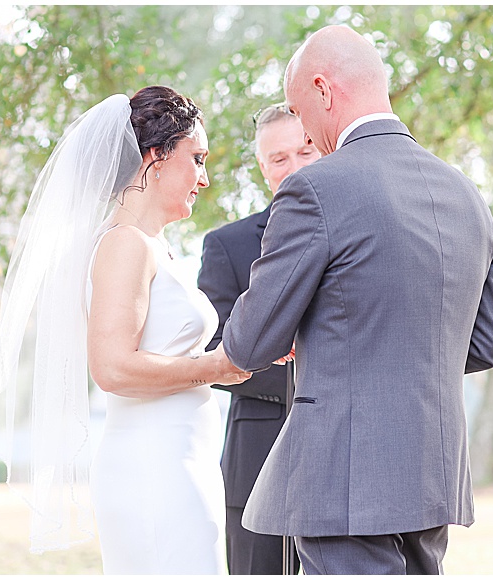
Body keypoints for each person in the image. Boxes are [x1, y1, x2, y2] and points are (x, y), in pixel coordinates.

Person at [221, 25, 493, 575]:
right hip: (433, 470)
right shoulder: (465, 193)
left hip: (342, 479)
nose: (307, 133)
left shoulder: (316, 188)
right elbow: (485, 343)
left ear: (324, 91)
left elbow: (250, 341)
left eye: (302, 114)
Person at [0, 86, 251, 574]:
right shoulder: (125, 244)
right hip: (153, 467)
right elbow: (112, 368)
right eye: (197, 159)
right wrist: (214, 366)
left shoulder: (154, 244)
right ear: (155, 158)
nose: (204, 178)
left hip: (181, 459)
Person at [197, 104, 318, 574]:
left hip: (346, 463)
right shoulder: (227, 245)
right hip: (257, 459)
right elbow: (211, 353)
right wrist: (296, 366)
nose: (294, 167)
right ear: (263, 169)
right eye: (278, 158)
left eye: (305, 151)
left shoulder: (362, 230)